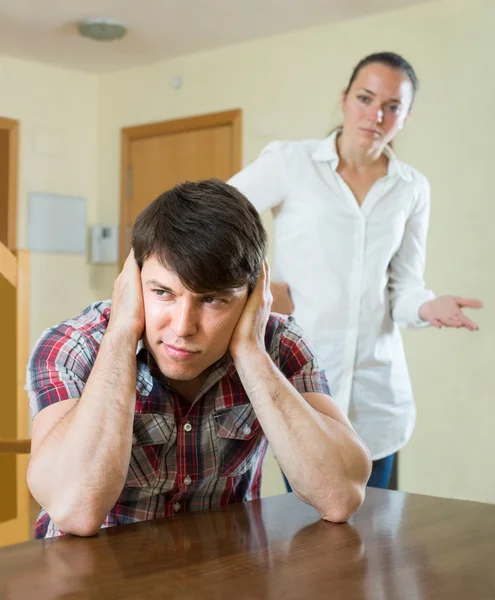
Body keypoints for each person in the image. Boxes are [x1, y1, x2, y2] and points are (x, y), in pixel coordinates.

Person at [25, 179, 371, 539]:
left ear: (254, 295)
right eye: (162, 292)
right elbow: (74, 511)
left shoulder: (278, 343)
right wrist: (121, 337)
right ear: (132, 281)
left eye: (212, 300)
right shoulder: (73, 345)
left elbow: (340, 497)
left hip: (224, 577)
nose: (182, 326)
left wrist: (250, 352)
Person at [228, 52, 483, 490]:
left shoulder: (411, 188)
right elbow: (217, 219)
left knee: (378, 538)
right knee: (311, 534)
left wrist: (426, 305)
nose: (376, 115)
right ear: (345, 99)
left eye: (392, 106)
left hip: (378, 397)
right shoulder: (291, 163)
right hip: (303, 383)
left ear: (405, 116)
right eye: (365, 98)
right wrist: (259, 288)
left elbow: (403, 290)